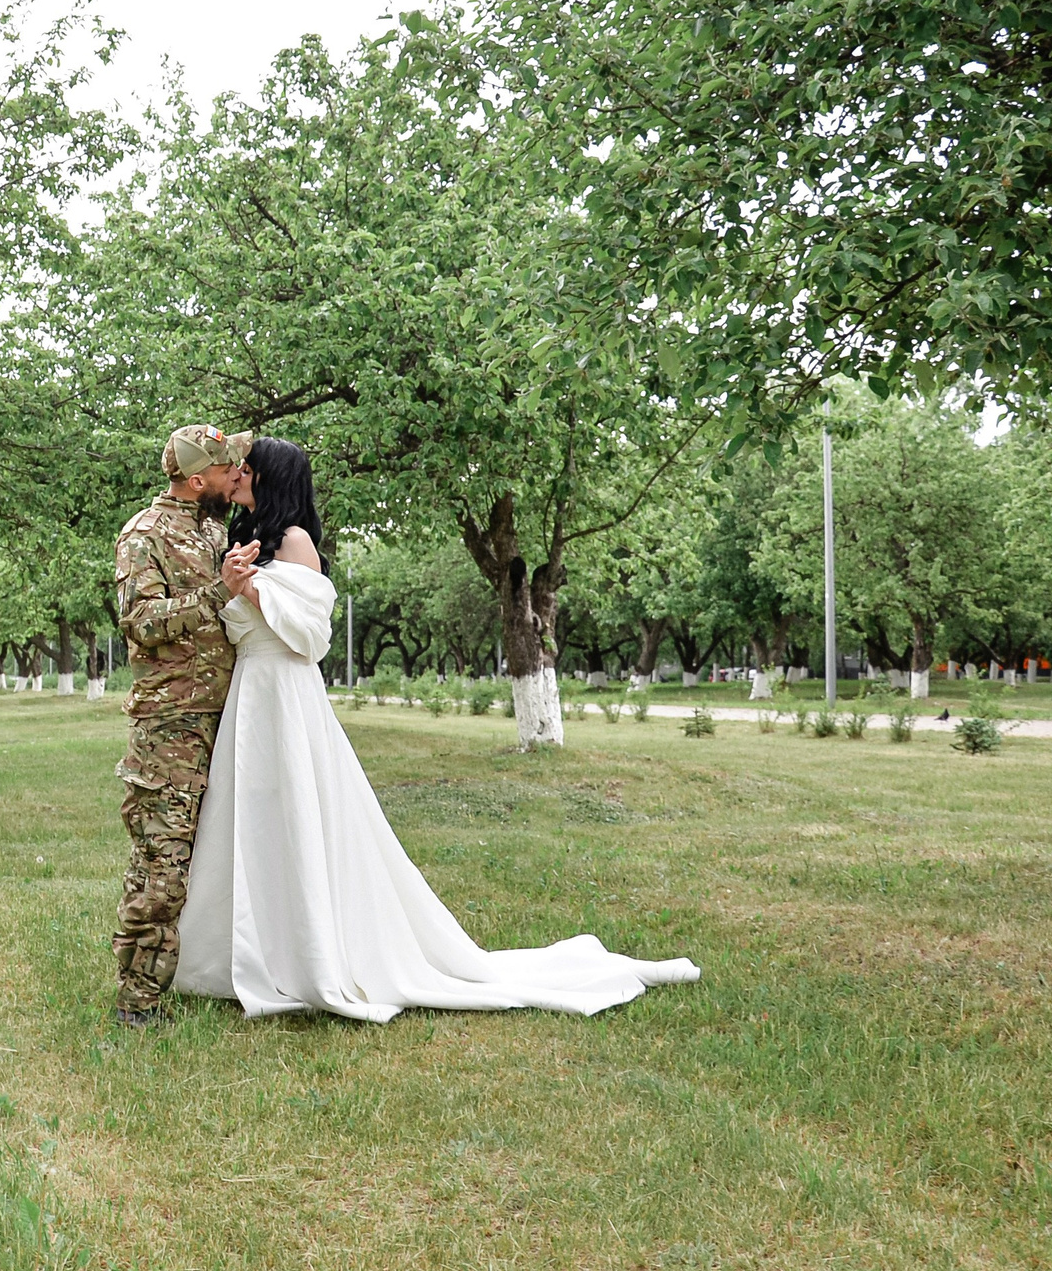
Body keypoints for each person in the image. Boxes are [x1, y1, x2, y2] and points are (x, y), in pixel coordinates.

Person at [173, 435, 700, 1022]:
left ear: (273, 478)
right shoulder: (243, 542)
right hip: (250, 694)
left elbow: (310, 637)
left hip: (285, 695)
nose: (237, 475)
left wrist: (251, 591)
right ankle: (248, 954)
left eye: (247, 468)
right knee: (253, 819)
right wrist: (231, 584)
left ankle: (311, 957)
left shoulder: (295, 542)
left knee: (295, 815)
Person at [109, 424, 251, 1027]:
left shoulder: (215, 529)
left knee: (206, 857)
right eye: (226, 470)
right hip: (172, 726)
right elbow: (139, 622)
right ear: (199, 480)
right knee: (163, 864)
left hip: (223, 719)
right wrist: (218, 593)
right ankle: (137, 1000)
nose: (233, 476)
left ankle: (203, 974)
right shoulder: (144, 535)